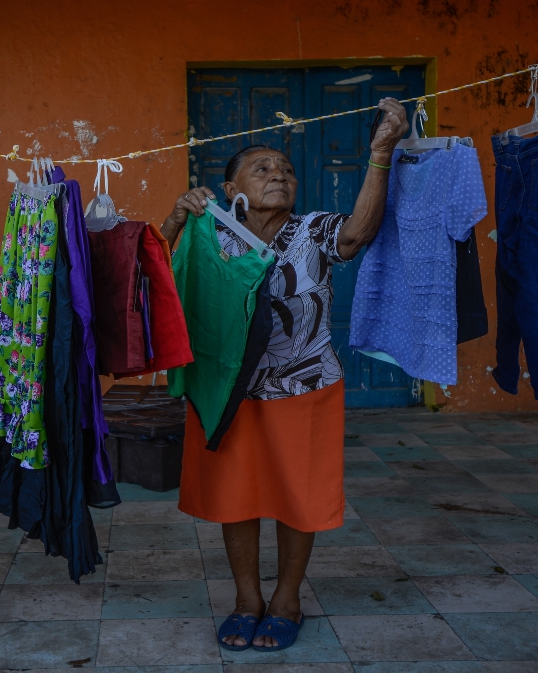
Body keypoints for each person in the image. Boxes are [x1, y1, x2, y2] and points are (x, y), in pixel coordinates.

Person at [159, 98, 410, 652]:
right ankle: (247, 600)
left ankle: (287, 599)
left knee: (299, 496)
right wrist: (177, 217)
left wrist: (380, 153)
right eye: (263, 168)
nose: (280, 175)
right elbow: (158, 274)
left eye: (287, 171)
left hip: (305, 386)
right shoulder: (212, 233)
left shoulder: (315, 230)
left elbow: (359, 231)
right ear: (230, 188)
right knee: (235, 495)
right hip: (228, 391)